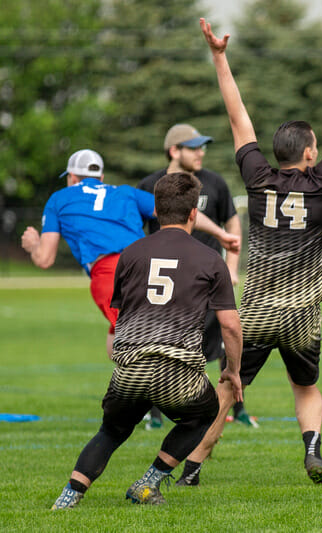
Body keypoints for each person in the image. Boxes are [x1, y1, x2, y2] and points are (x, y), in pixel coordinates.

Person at [175, 17, 322, 487]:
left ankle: (192, 468)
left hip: (260, 310)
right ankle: (312, 451)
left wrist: (220, 57)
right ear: (309, 154)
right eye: (316, 146)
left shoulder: (256, 176)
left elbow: (237, 116)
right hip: (303, 311)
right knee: (306, 386)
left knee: (229, 387)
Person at [50, 172, 243, 509]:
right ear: (193, 213)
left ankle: (69, 496)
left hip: (131, 368)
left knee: (112, 430)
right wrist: (234, 372)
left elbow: (121, 313)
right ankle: (148, 482)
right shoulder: (211, 260)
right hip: (178, 372)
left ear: (155, 209)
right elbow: (230, 326)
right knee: (204, 412)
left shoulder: (131, 253)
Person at [21, 149, 239, 358]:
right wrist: (221, 234)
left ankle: (178, 390)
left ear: (72, 177)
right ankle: (131, 389)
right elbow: (178, 209)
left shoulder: (60, 198)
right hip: (147, 265)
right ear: (101, 177)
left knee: (144, 347)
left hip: (111, 272)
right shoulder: (125, 192)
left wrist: (33, 245)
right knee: (116, 344)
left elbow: (44, 258)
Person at [139, 123, 252, 430]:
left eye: (203, 146)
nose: (201, 152)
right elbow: (137, 232)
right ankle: (155, 414)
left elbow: (232, 223)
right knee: (160, 344)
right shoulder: (150, 184)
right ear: (174, 150)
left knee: (224, 341)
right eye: (194, 147)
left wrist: (231, 267)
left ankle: (237, 408)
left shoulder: (213, 183)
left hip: (209, 279)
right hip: (168, 283)